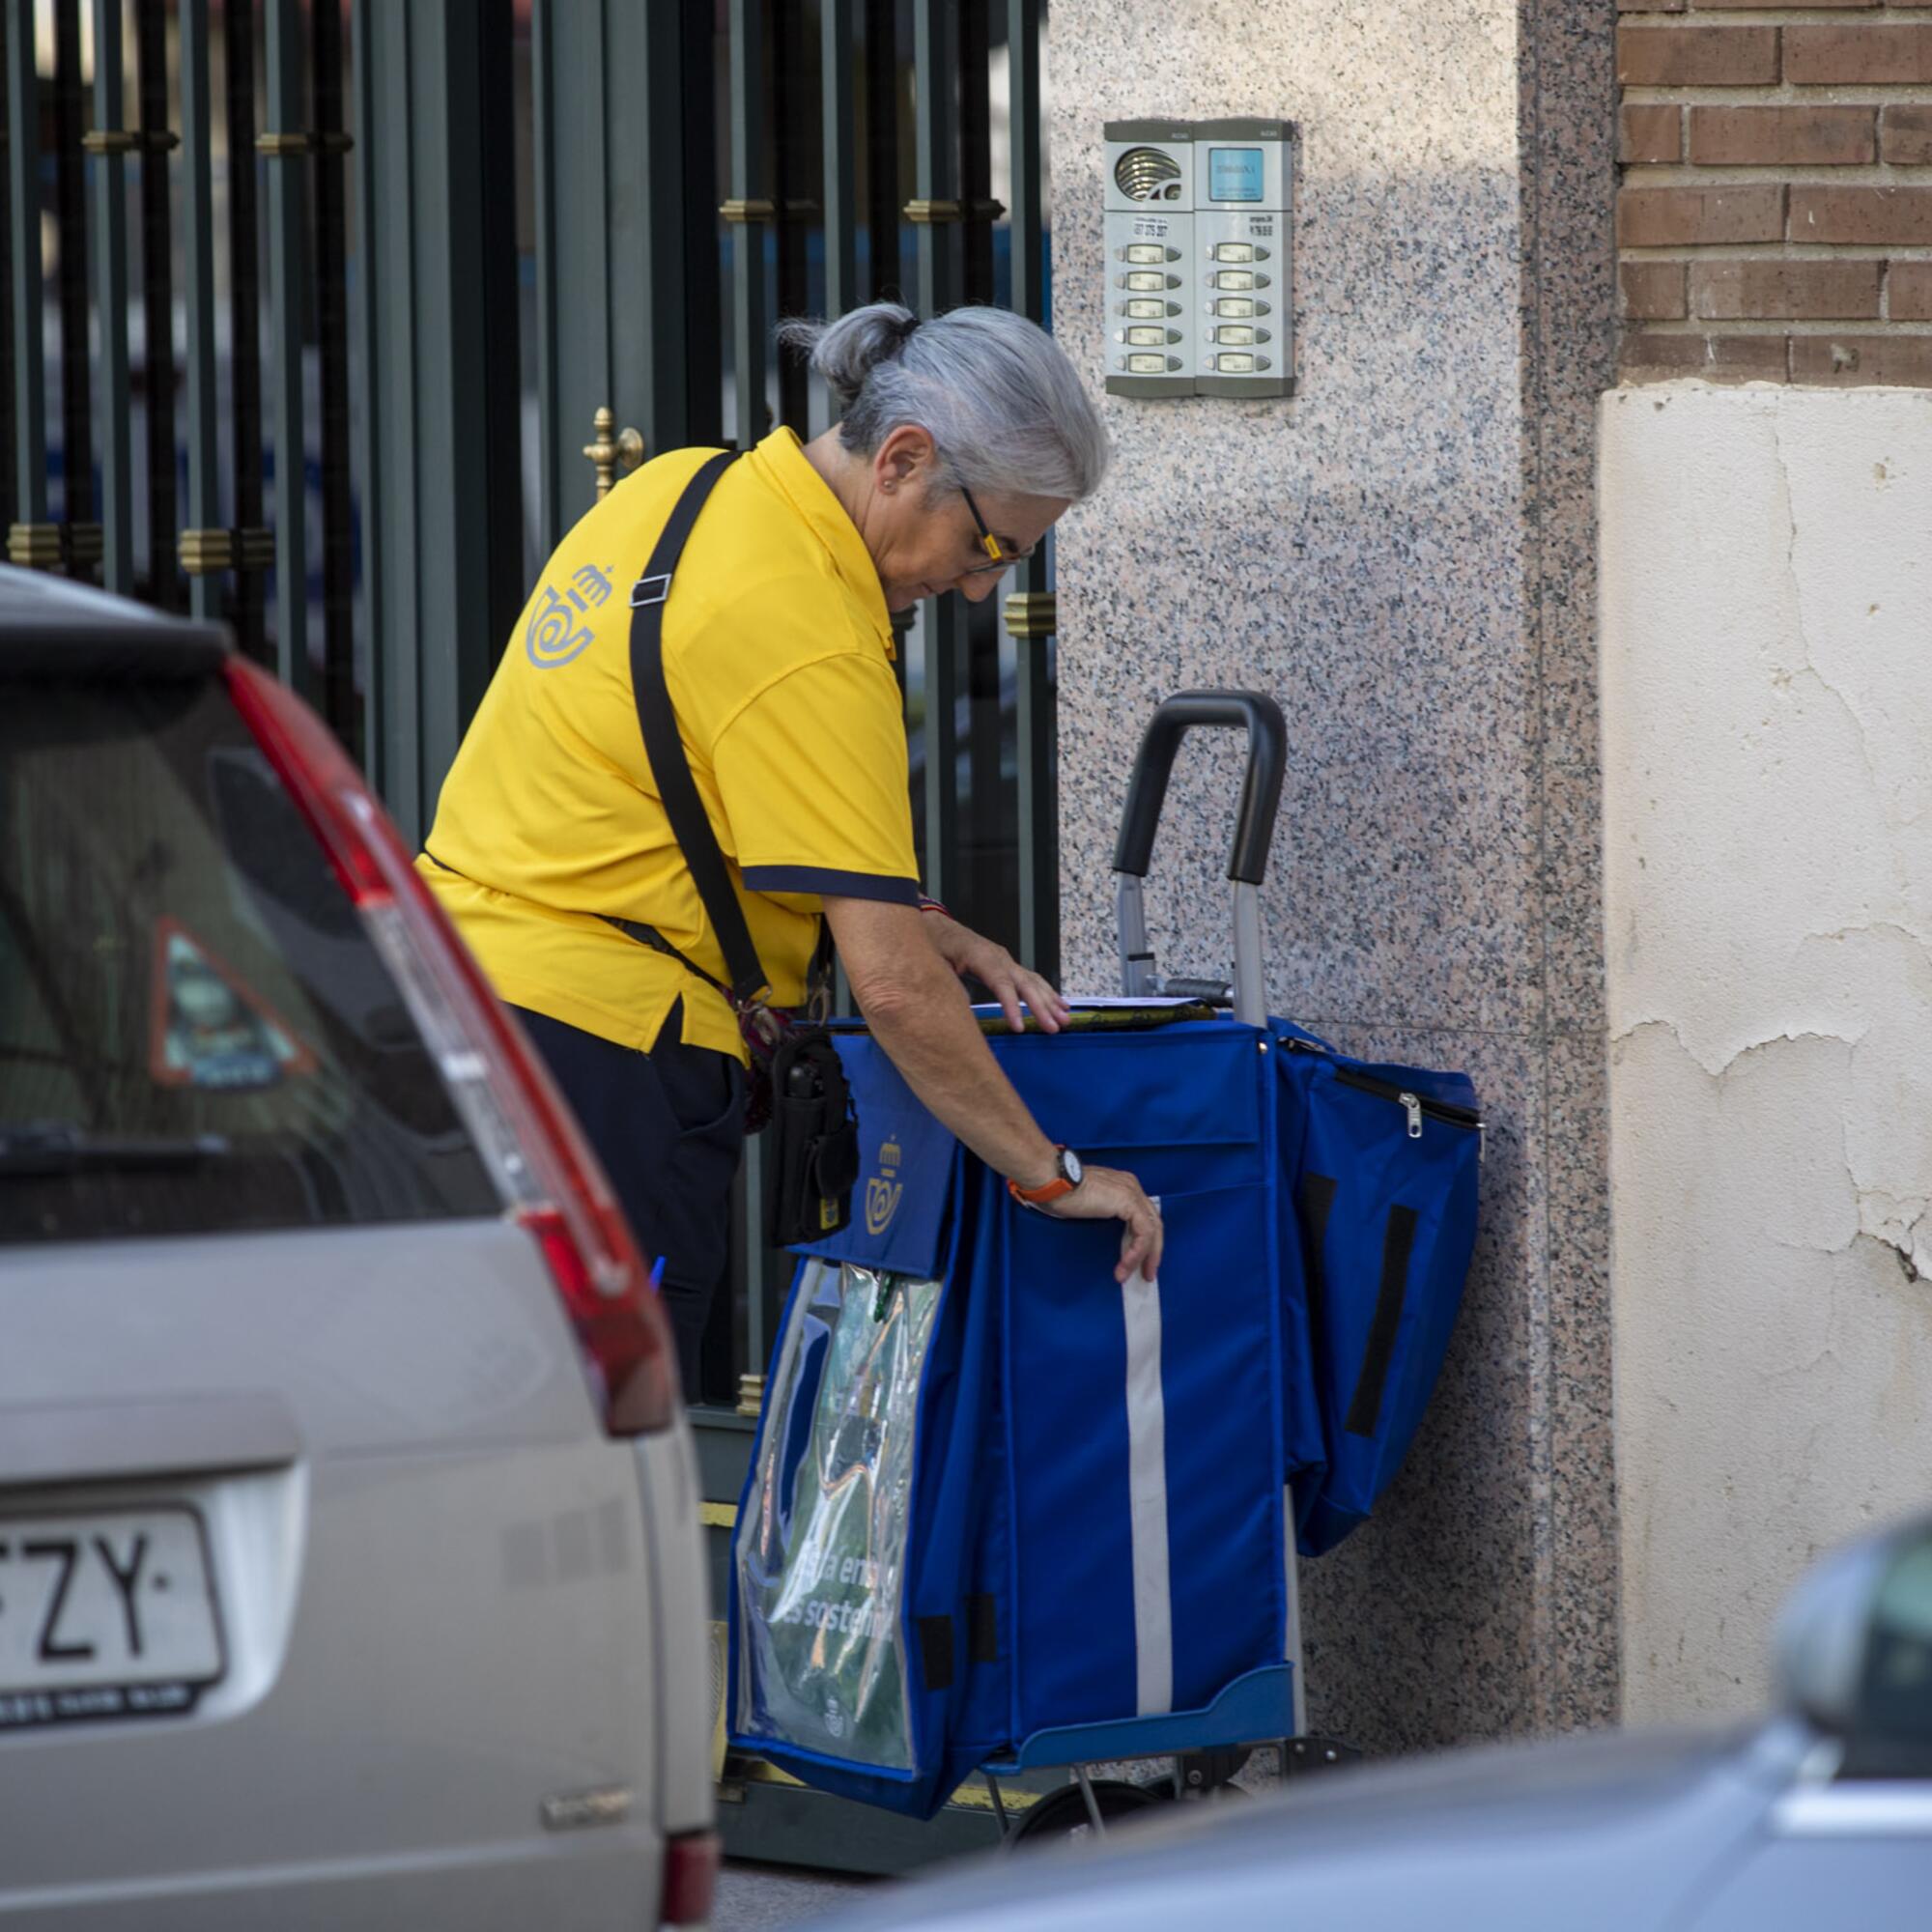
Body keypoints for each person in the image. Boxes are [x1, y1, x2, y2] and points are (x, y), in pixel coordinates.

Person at [418, 301, 1162, 1393]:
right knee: (590, 1464)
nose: (976, 587)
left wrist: (930, 922)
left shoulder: (681, 489)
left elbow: (669, 791)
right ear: (903, 458)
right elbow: (895, 994)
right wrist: (1053, 1176)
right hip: (600, 1071)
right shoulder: (809, 627)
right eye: (983, 543)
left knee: (469, 1427)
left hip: (449, 1018)